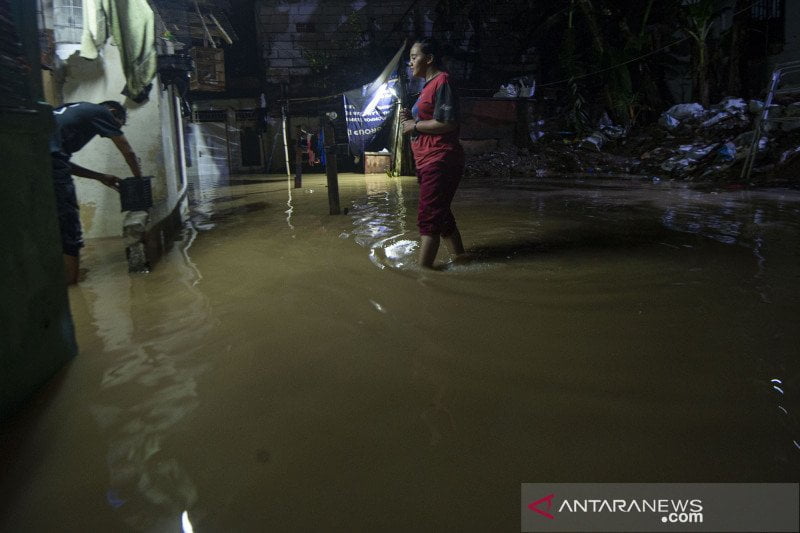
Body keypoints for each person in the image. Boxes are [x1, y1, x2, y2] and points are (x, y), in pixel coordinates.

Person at [49, 101, 143, 284]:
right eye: (117, 125)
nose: (108, 132)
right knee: (68, 222)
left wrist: (99, 176)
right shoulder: (102, 112)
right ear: (113, 111)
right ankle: (71, 284)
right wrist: (139, 181)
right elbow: (129, 152)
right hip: (51, 164)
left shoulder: (72, 108)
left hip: (30, 158)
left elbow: (60, 161)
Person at [401, 38, 466, 269]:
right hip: (428, 161)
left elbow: (448, 123)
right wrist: (413, 120)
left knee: (428, 219)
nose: (410, 63)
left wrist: (414, 126)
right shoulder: (426, 87)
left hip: (440, 160)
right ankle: (462, 260)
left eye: (414, 57)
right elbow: (429, 120)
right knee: (442, 217)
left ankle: (423, 276)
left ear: (429, 59)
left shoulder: (442, 81)